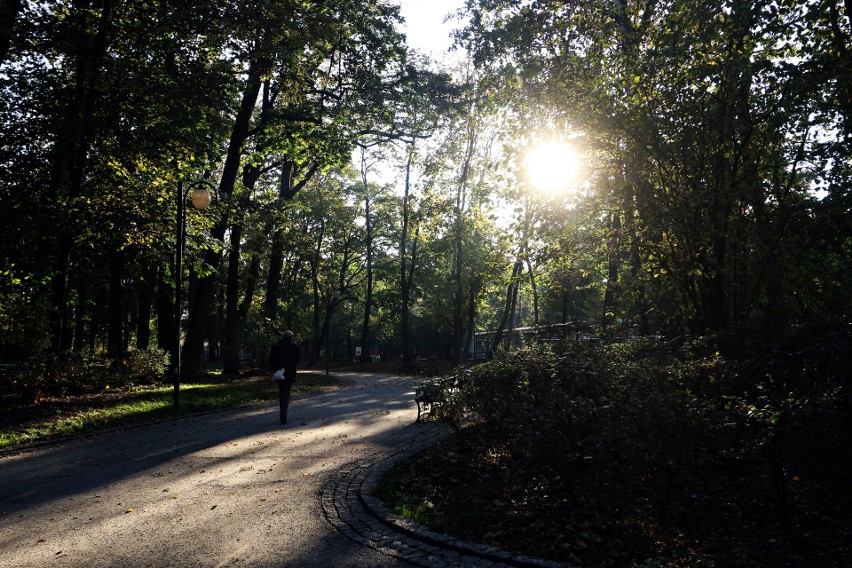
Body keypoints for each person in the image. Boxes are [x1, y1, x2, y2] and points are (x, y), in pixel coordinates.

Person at [268, 330, 300, 424]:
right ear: (291, 337)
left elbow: (271, 360)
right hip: (289, 374)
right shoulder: (294, 346)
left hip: (279, 373)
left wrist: (277, 369)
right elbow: (296, 360)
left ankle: (282, 414)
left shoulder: (275, 346)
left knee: (281, 393)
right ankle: (283, 416)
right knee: (286, 394)